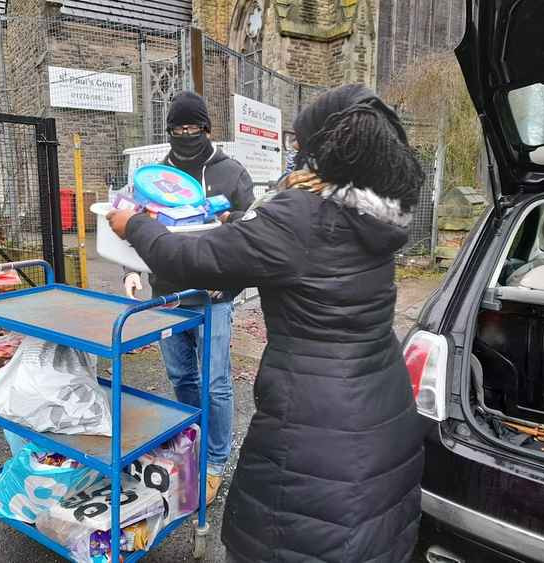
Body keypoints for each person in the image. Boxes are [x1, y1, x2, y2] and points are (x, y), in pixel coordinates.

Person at [108, 84, 427, 562]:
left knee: (286, 537)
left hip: (315, 426)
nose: (294, 155)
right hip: (383, 407)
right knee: (370, 535)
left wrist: (133, 224)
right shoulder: (375, 215)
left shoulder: (302, 214)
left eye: (300, 144)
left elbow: (188, 256)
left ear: (324, 148)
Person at [123, 91, 255, 505]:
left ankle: (215, 461)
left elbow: (253, 237)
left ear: (206, 128)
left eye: (192, 128)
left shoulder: (231, 173)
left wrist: (230, 282)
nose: (184, 135)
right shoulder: (152, 176)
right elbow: (133, 228)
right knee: (182, 376)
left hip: (214, 295)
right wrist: (132, 271)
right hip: (168, 295)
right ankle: (191, 441)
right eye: (177, 129)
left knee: (216, 383)